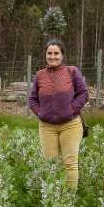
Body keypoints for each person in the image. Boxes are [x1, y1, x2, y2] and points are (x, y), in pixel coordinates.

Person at [27, 39, 89, 187]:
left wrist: (71, 109)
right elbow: (32, 99)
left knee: (70, 164)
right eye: (49, 53)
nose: (52, 56)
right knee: (51, 165)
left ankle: (68, 202)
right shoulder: (40, 75)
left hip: (71, 125)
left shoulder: (72, 71)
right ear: (45, 55)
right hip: (47, 127)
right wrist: (40, 113)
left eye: (56, 53)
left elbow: (84, 94)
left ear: (62, 55)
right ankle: (54, 200)